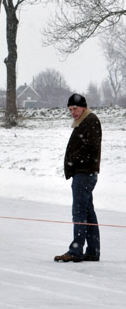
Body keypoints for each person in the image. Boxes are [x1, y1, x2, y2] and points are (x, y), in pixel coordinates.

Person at [54, 93, 102, 263]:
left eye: (75, 109)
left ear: (83, 107)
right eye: (70, 109)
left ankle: (76, 250)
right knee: (88, 211)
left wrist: (73, 159)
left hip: (85, 173)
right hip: (83, 172)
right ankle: (93, 250)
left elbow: (90, 146)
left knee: (79, 212)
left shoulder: (90, 121)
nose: (73, 112)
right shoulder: (84, 121)